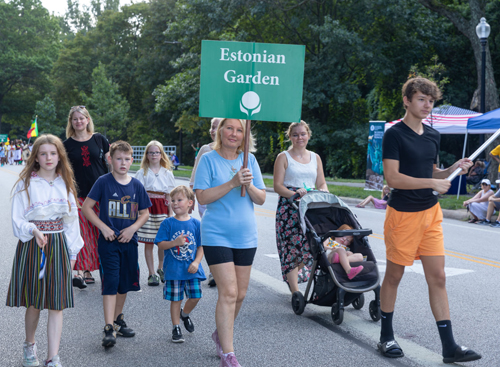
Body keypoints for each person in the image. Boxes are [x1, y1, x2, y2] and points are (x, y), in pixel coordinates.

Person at [379, 77, 480, 363]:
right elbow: (393, 178)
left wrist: (452, 169)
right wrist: (431, 182)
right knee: (395, 276)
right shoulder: (394, 135)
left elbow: (432, 172)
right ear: (407, 101)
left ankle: (449, 347)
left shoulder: (433, 135)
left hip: (430, 214)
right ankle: (386, 337)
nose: (427, 105)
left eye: (431, 100)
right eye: (421, 99)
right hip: (403, 215)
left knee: (438, 277)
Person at [194, 118, 266, 367]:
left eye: (239, 130)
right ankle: (228, 353)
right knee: (229, 292)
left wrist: (249, 185)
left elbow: (261, 198)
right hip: (216, 234)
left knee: (241, 294)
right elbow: (202, 196)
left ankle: (220, 333)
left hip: (245, 235)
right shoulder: (208, 159)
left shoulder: (250, 161)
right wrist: (233, 183)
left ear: (244, 135)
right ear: (220, 131)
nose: (234, 134)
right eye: (229, 128)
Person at [7, 134, 84, 367]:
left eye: (53, 153)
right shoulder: (26, 184)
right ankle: (29, 345)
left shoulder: (66, 183)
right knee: (34, 301)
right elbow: (17, 219)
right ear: (36, 157)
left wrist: (72, 254)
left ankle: (53, 357)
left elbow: (71, 222)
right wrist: (33, 230)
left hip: (59, 245)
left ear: (60, 157)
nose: (49, 157)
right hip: (33, 245)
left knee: (56, 303)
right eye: (43, 153)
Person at [82, 140, 152, 348]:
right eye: (118, 159)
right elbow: (87, 208)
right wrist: (103, 227)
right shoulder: (103, 182)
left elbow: (145, 213)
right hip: (109, 243)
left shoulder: (136, 185)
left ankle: (117, 319)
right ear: (110, 160)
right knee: (110, 282)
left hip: (129, 242)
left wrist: (132, 229)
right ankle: (108, 327)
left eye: (126, 159)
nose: (122, 163)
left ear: (132, 160)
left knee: (124, 284)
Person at [273, 120, 328, 294]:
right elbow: (277, 186)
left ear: (308, 135)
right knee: (291, 248)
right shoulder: (283, 157)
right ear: (290, 137)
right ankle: (296, 292)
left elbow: (321, 182)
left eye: (303, 134)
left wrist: (323, 193)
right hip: (289, 208)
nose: (299, 138)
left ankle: (293, 276)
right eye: (295, 135)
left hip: (310, 207)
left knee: (312, 246)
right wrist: (295, 194)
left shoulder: (315, 157)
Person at [63, 106, 110, 289]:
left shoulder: (99, 139)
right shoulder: (66, 145)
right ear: (71, 122)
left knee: (101, 232)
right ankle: (83, 272)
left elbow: (110, 162)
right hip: (79, 195)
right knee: (82, 234)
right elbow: (64, 172)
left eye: (81, 118)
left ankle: (106, 268)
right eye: (75, 119)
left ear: (88, 120)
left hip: (101, 194)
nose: (78, 122)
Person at [154, 186, 206, 343]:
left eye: (179, 200)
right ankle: (176, 327)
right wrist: (175, 242)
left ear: (190, 203)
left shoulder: (196, 224)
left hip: (192, 269)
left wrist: (197, 262)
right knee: (175, 299)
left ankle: (184, 314)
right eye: (172, 201)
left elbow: (201, 246)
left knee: (196, 296)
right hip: (174, 269)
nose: (175, 203)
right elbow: (161, 245)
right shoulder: (167, 223)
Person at [135, 140, 176, 286]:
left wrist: (170, 214)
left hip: (162, 208)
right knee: (149, 242)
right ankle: (151, 273)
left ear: (161, 155)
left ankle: (161, 267)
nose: (154, 155)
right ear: (147, 155)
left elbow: (169, 194)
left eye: (157, 152)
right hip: (147, 208)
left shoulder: (167, 173)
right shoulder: (142, 172)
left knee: (162, 242)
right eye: (151, 152)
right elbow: (138, 194)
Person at [190, 117, 221, 288]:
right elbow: (195, 170)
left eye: (216, 127)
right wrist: (191, 194)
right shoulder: (205, 149)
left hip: (223, 198)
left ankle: (216, 269)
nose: (212, 130)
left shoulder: (232, 150)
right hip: (205, 196)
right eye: (211, 127)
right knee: (211, 234)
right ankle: (212, 272)